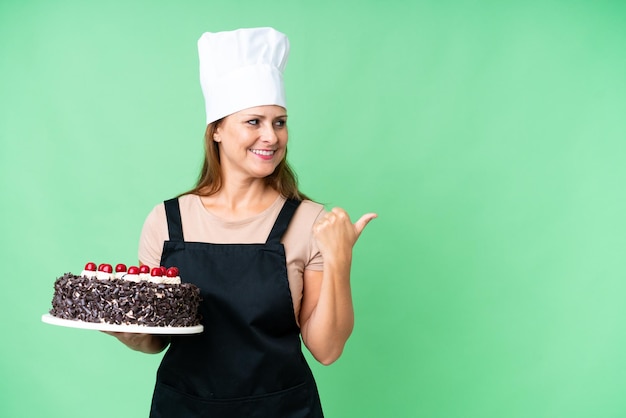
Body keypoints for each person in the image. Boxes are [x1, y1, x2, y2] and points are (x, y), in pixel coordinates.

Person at [105, 27, 377, 417]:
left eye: (279, 122)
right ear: (216, 129)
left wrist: (339, 261)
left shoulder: (309, 221)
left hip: (283, 409)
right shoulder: (167, 221)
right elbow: (155, 340)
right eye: (254, 122)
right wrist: (122, 328)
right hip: (184, 408)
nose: (271, 136)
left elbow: (327, 350)